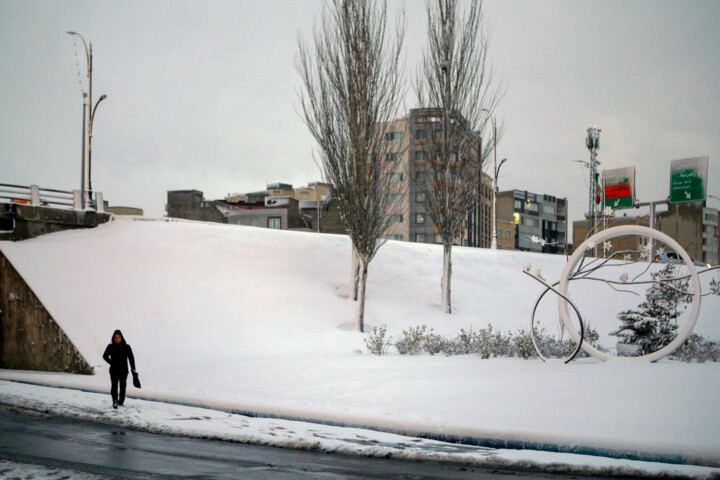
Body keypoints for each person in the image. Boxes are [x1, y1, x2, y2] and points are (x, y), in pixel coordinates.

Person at [102, 329, 137, 409]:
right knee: (114, 385)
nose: (117, 339)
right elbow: (105, 356)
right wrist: (111, 363)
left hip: (123, 370)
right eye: (116, 337)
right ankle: (115, 400)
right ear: (113, 338)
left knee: (123, 386)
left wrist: (133, 367)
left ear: (121, 337)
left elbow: (131, 358)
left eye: (119, 337)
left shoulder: (126, 347)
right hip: (114, 370)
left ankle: (121, 401)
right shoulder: (110, 347)